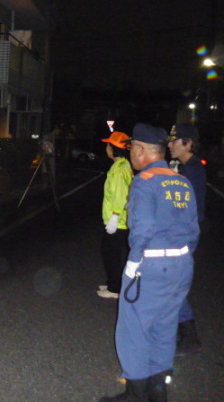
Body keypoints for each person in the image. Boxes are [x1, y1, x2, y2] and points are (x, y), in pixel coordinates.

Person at [100, 123, 199, 402]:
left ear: (141, 150)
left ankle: (135, 394)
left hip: (151, 267)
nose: (131, 152)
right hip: (181, 266)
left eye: (132, 147)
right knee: (164, 328)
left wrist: (133, 264)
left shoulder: (144, 181)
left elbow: (142, 229)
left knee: (133, 330)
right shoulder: (181, 181)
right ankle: (158, 393)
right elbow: (193, 230)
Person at [167, 123, 206, 356]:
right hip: (183, 231)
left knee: (172, 284)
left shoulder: (193, 169)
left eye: (175, 141)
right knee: (171, 282)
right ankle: (180, 331)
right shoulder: (185, 167)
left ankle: (189, 336)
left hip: (184, 233)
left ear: (188, 143)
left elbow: (188, 208)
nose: (170, 145)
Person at [97, 131, 133, 299]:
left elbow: (119, 195)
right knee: (114, 252)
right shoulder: (123, 165)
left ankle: (115, 288)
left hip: (118, 220)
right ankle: (114, 282)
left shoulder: (119, 169)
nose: (106, 147)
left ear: (114, 148)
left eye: (108, 145)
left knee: (110, 252)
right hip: (121, 219)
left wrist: (114, 216)